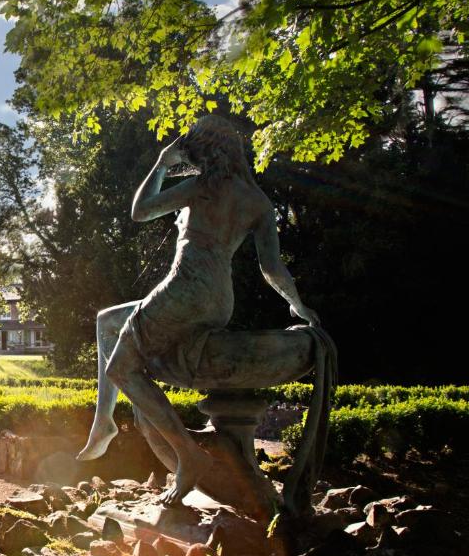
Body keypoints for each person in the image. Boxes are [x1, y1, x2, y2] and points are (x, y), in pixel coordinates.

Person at [76, 115, 320, 506]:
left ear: (207, 153)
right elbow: (272, 268)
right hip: (217, 300)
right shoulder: (256, 201)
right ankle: (103, 423)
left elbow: (140, 211)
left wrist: (161, 164)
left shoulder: (203, 187)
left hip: (183, 291)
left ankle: (187, 455)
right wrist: (298, 305)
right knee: (109, 321)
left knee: (121, 368)